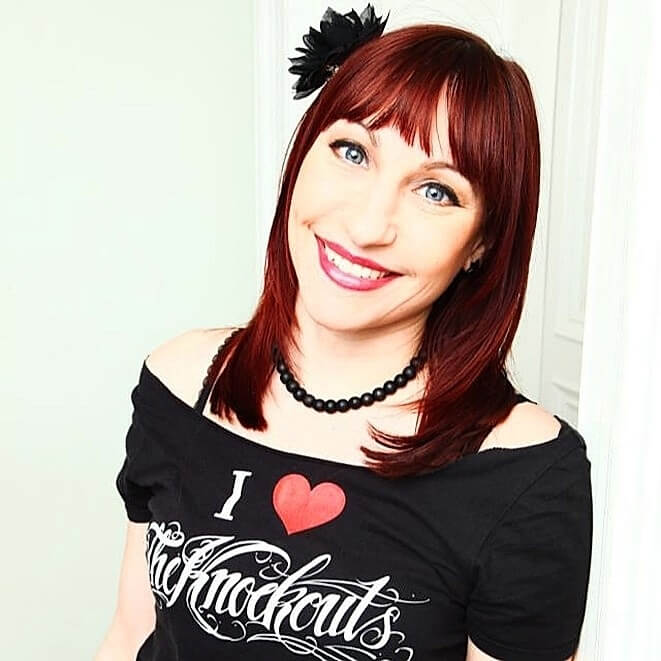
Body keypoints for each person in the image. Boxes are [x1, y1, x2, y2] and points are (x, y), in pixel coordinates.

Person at [96, 5, 592, 660]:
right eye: (353, 152)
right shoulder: (179, 381)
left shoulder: (525, 471)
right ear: (302, 155)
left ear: (481, 243)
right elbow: (130, 632)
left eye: (436, 191)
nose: (366, 226)